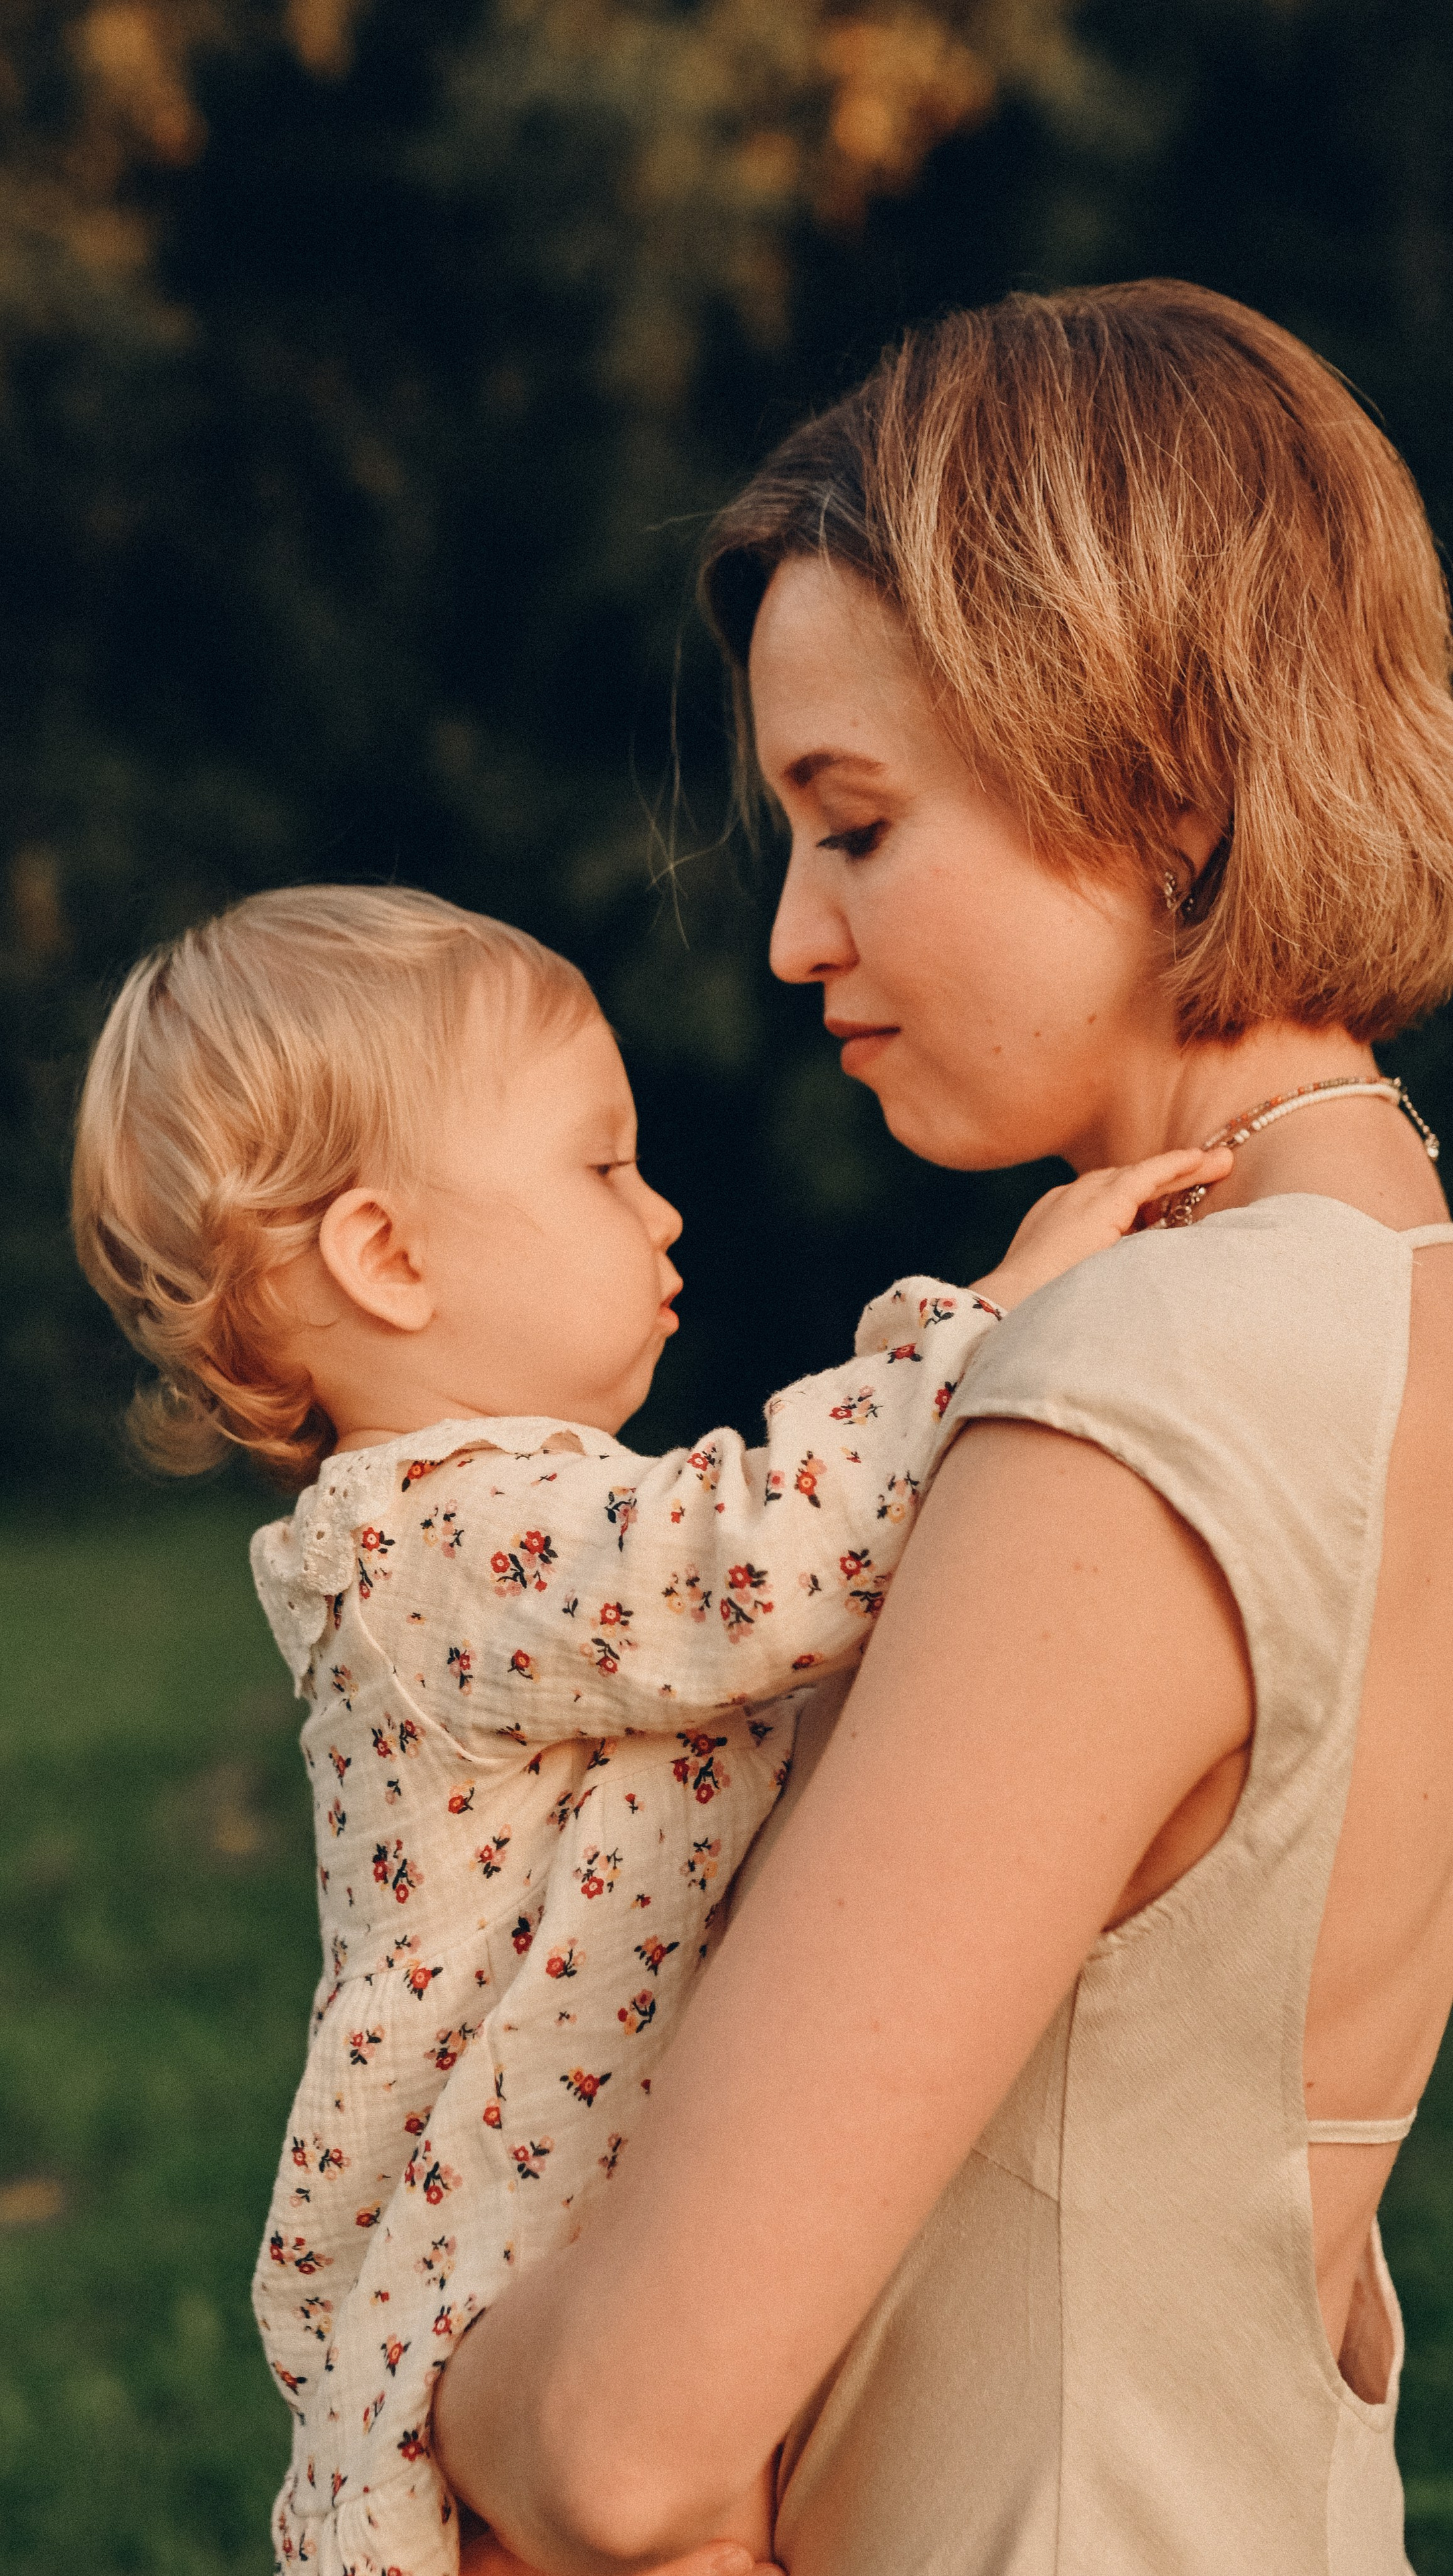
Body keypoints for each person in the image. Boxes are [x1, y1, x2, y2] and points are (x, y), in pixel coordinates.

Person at [429, 281, 1453, 2576]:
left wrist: (427, 2351)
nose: (794, 935)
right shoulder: (1398, 1287)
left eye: (859, 825)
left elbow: (619, 2442)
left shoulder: (1150, 1377)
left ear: (1160, 780)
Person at [68, 882, 1216, 2576]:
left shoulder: (514, 1530)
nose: (663, 1212)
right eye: (602, 1166)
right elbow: (759, 1563)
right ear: (387, 1258)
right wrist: (997, 1316)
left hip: (604, 2247)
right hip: (502, 2295)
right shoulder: (431, 1548)